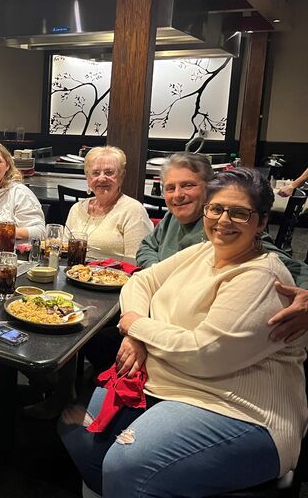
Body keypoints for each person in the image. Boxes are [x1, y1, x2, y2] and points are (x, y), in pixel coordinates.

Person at [60, 168, 308, 497]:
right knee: (85, 441)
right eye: (216, 209)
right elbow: (141, 281)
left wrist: (135, 326)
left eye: (239, 213)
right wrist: (136, 334)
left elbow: (204, 355)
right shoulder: (206, 251)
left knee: (124, 464)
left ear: (262, 222)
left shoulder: (259, 275)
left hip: (236, 406)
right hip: (173, 380)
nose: (223, 220)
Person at [137, 152, 308, 342]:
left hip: (195, 331)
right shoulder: (171, 218)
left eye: (188, 185)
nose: (178, 195)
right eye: (170, 188)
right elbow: (146, 246)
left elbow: (287, 266)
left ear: (210, 190)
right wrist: (158, 274)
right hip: (158, 313)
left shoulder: (227, 228)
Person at [65, 146, 153, 258]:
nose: (102, 178)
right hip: (74, 273)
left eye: (109, 172)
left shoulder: (134, 211)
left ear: (121, 176)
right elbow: (64, 252)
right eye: (96, 173)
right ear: (87, 177)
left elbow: (137, 262)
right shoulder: (76, 209)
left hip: (117, 274)